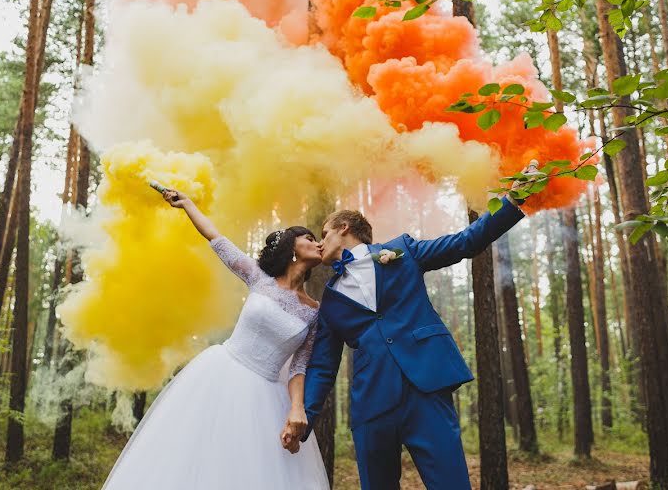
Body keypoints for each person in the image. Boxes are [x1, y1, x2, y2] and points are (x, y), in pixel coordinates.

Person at [292, 164, 537, 490]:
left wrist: (515, 197)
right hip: (372, 405)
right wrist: (303, 420)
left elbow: (465, 242)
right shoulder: (330, 303)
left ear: (344, 228)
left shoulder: (403, 251)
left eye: (324, 234)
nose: (321, 243)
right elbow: (323, 366)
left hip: (427, 387)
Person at [102, 188, 329, 489]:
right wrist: (187, 205)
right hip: (222, 375)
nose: (318, 243)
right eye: (310, 238)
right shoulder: (259, 279)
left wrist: (297, 408)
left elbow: (300, 366)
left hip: (269, 398)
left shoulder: (314, 313)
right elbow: (217, 239)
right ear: (292, 247)